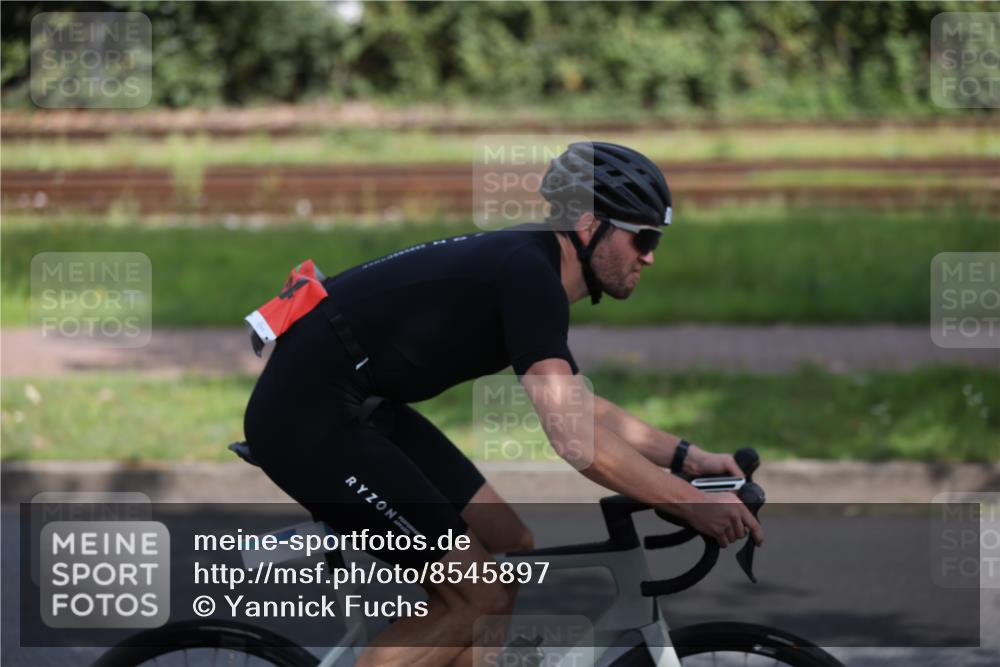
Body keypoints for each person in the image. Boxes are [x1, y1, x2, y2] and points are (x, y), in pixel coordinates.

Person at [242, 141, 764, 667]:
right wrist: (688, 502)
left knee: (508, 541)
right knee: (479, 594)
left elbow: (575, 404)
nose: (649, 256)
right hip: (308, 418)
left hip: (358, 405)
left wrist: (690, 459)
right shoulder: (529, 275)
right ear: (590, 226)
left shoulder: (533, 268)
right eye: (642, 238)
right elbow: (574, 439)